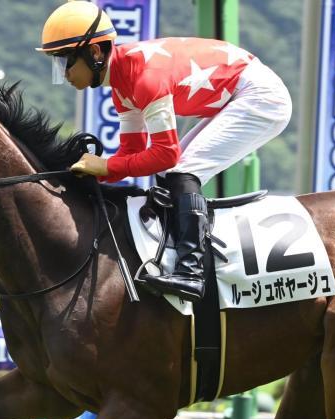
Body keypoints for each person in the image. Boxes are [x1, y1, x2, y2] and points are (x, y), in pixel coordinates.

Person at [38, 1, 292, 302]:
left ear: (94, 53)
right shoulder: (121, 86)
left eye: (65, 61)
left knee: (182, 170)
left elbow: (165, 154)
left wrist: (104, 167)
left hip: (261, 97)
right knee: (168, 173)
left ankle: (192, 272)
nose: (63, 73)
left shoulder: (143, 79)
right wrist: (91, 175)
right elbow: (131, 152)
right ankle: (173, 255)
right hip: (237, 94)